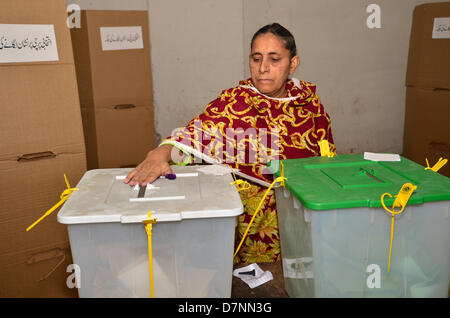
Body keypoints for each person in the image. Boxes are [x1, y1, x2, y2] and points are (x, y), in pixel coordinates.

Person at [124, 23, 336, 264]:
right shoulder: (236, 101)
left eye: (274, 59)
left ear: (293, 63)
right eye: (256, 59)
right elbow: (193, 134)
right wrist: (158, 154)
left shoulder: (310, 105)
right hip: (248, 223)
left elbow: (326, 163)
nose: (263, 68)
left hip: (299, 217)